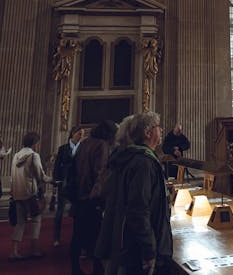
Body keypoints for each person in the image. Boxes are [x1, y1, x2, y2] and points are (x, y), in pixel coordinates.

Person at [95, 111, 173, 275]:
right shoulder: (143, 163)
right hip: (136, 249)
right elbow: (138, 210)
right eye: (158, 127)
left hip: (127, 244)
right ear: (148, 132)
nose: (162, 130)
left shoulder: (136, 158)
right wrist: (149, 250)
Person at [70, 119, 118, 275]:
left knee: (77, 236)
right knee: (97, 238)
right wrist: (99, 199)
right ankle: (97, 271)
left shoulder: (84, 143)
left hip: (78, 196)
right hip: (91, 198)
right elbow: (100, 173)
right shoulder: (101, 146)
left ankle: (75, 269)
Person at [10, 131, 51, 261]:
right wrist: (52, 179)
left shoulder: (16, 155)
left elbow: (13, 176)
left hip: (17, 193)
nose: (38, 146)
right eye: (38, 143)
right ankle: (34, 249)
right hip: (30, 194)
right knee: (36, 219)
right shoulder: (34, 156)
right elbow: (41, 176)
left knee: (20, 222)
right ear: (34, 143)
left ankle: (14, 251)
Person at [52, 125, 84, 247]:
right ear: (73, 134)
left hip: (77, 183)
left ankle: (77, 238)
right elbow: (57, 166)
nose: (81, 136)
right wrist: (56, 180)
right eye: (79, 134)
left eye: (82, 134)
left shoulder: (83, 148)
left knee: (77, 212)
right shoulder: (63, 148)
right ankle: (56, 237)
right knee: (60, 211)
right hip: (64, 183)